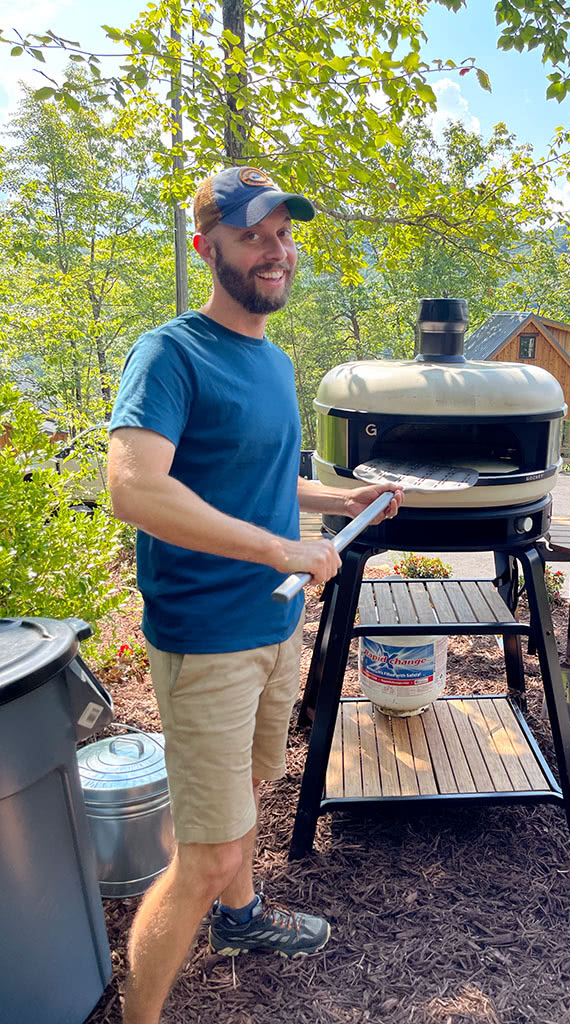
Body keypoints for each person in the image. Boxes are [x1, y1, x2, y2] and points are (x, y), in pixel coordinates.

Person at [107, 165, 402, 1024]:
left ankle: (241, 922)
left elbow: (260, 481)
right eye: (252, 235)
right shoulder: (171, 353)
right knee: (205, 852)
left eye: (284, 232)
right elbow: (137, 490)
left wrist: (337, 502)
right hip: (207, 639)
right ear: (208, 248)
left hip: (276, 623)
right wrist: (284, 547)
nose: (276, 250)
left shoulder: (273, 360)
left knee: (250, 790)